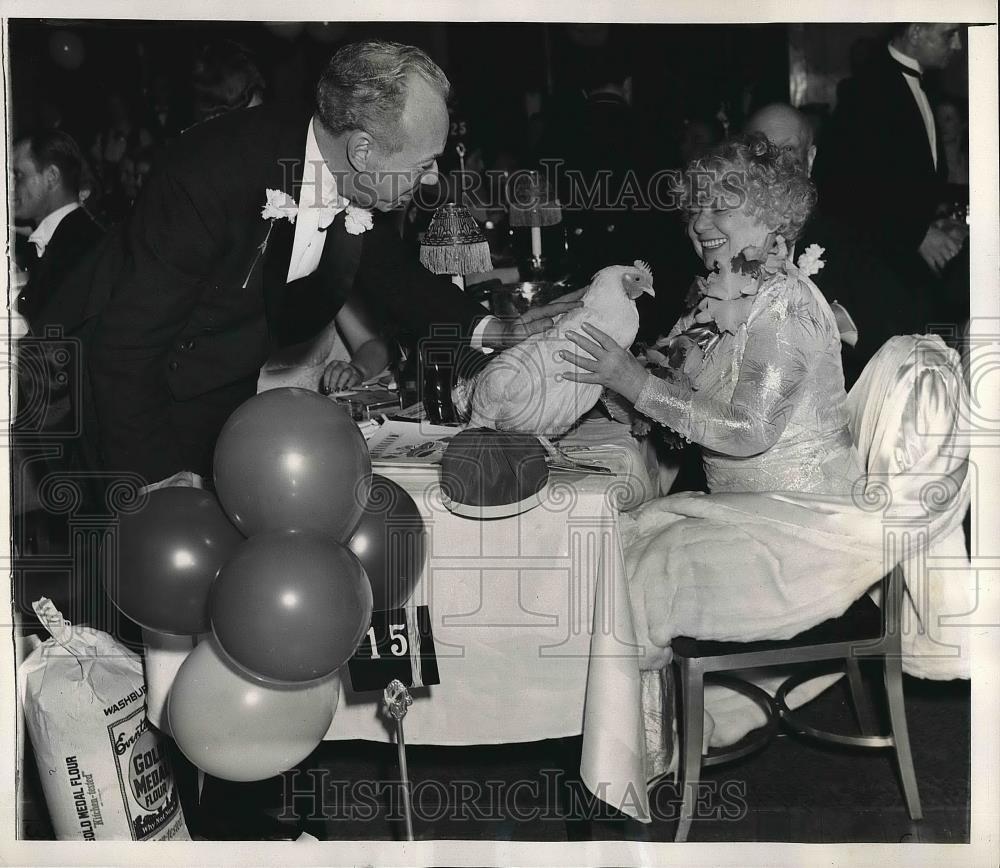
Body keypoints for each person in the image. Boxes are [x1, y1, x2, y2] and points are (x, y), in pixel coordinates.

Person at [62, 40, 579, 487]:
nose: (430, 179)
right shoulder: (207, 175)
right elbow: (127, 345)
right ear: (363, 149)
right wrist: (156, 479)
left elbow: (395, 275)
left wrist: (495, 330)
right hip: (128, 401)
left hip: (223, 390)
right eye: (423, 163)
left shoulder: (348, 171)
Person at [562, 133, 886, 761]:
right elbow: (688, 409)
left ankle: (644, 756)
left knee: (638, 565)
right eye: (693, 209)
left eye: (721, 207)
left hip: (805, 530)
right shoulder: (731, 296)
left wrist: (637, 384)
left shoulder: (787, 304)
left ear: (772, 218)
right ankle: (650, 746)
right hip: (755, 515)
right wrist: (629, 387)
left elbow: (747, 431)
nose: (700, 223)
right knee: (617, 547)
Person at [744, 103, 917, 387]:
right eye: (763, 150)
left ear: (810, 159)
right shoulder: (723, 239)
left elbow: (898, 329)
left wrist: (836, 321)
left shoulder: (851, 238)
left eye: (789, 150)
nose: (777, 163)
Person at [813, 23, 966, 288]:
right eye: (949, 34)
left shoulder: (921, 83)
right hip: (881, 269)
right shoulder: (867, 88)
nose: (957, 45)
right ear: (916, 32)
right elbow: (843, 188)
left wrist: (935, 222)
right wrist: (917, 234)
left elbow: (902, 176)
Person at [11, 130, 104, 329]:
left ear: (52, 177)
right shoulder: (66, 236)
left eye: (18, 175)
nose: (8, 185)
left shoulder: (82, 249)